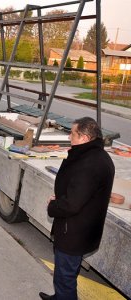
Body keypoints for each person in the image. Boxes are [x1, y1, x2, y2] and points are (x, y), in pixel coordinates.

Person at [39, 117, 115, 300]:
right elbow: (81, 193)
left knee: (65, 277)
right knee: (63, 274)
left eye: (72, 133)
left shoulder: (89, 163)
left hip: (74, 231)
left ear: (84, 137)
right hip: (79, 227)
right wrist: (63, 196)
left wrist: (54, 205)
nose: (68, 137)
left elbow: (73, 204)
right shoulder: (95, 156)